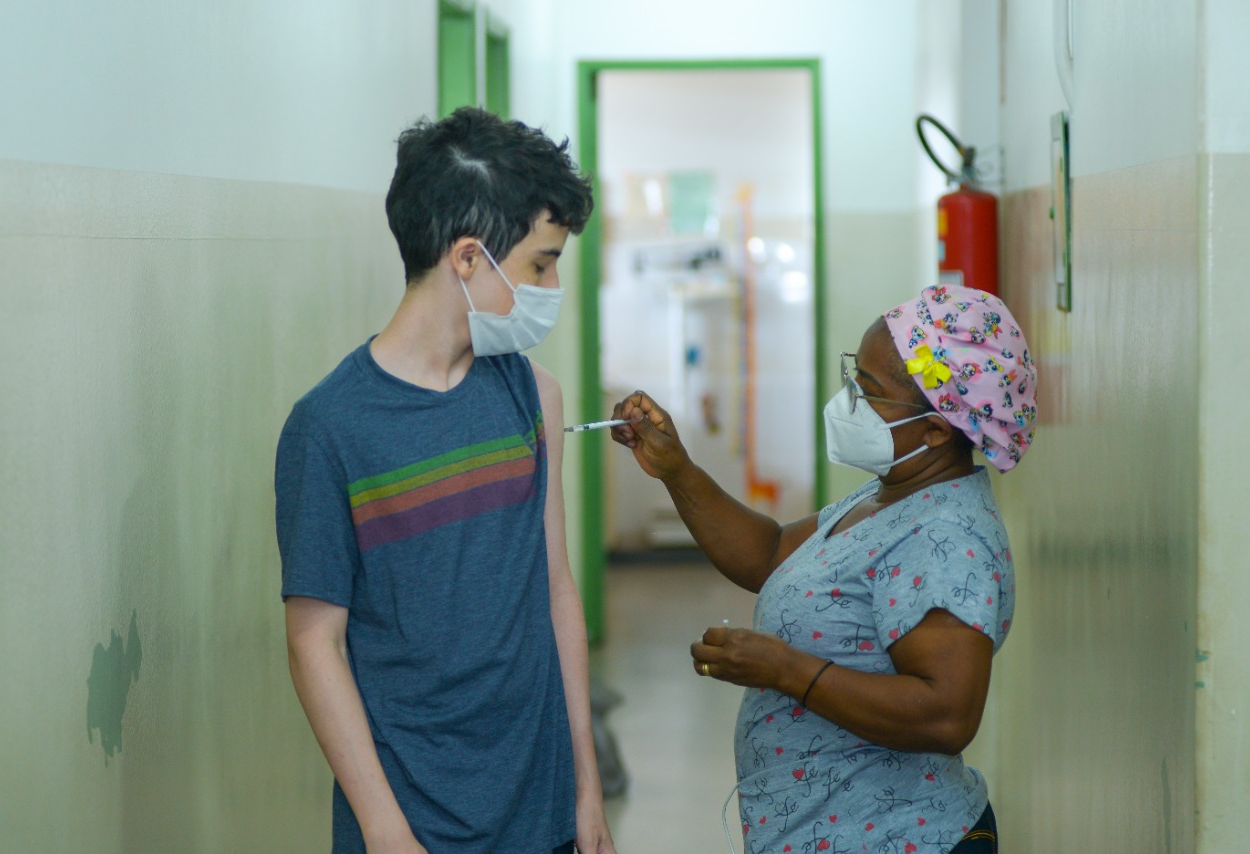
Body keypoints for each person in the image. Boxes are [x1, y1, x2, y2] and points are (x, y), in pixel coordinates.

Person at [275, 107, 615, 854]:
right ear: (467, 257)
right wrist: (384, 830)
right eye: (540, 264)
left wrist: (586, 790)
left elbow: (557, 590)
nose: (553, 285)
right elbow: (314, 643)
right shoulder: (330, 427)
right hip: (412, 820)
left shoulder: (533, 395)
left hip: (542, 807)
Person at [610, 284, 1036, 853]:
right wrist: (676, 468)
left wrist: (785, 669)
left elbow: (945, 716)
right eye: (853, 378)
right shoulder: (891, 496)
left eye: (870, 391)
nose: (850, 400)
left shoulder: (945, 537)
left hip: (904, 839)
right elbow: (769, 554)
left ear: (936, 430)